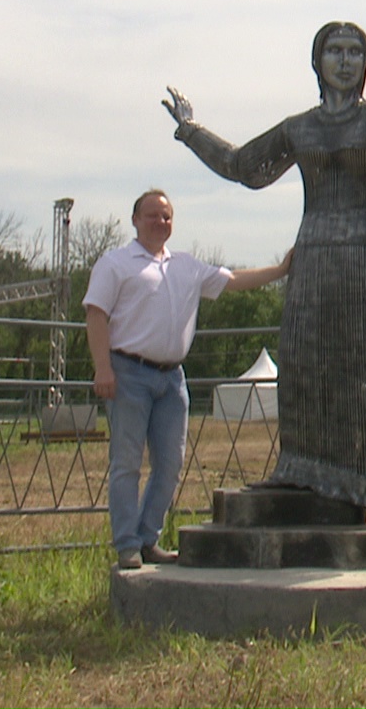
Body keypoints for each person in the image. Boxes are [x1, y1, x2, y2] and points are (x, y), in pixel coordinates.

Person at [163, 21, 366, 526]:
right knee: (304, 366)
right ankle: (304, 468)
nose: (344, 61)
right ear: (317, 62)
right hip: (312, 260)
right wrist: (190, 131)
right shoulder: (301, 128)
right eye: (333, 51)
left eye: (354, 52)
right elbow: (243, 165)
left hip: (365, 259)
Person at [83, 189, 291, 570]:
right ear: (134, 220)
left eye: (166, 216)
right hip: (128, 372)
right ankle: (127, 543)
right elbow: (95, 315)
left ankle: (148, 538)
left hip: (172, 378)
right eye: (152, 216)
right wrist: (103, 368)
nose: (160, 223)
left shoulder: (186, 266)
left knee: (171, 463)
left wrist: (280, 271)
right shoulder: (115, 264)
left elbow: (233, 280)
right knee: (127, 462)